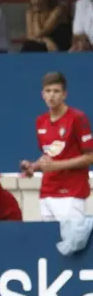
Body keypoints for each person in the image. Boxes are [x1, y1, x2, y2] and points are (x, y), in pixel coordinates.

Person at [21, 72, 93, 221]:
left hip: (71, 192)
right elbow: (50, 156)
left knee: (73, 242)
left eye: (56, 91)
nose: (51, 96)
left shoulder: (78, 118)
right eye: (48, 91)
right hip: (47, 191)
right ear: (42, 94)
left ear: (64, 94)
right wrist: (33, 166)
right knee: (50, 242)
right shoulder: (40, 121)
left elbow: (90, 157)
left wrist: (56, 165)